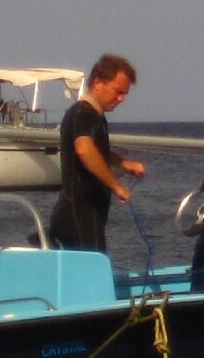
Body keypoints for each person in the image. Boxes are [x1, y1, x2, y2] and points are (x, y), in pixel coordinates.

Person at [47, 54, 146, 252]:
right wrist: (117, 186)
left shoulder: (90, 114)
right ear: (98, 83)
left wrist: (123, 163)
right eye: (118, 92)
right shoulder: (86, 114)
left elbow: (95, 149)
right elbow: (84, 150)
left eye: (125, 94)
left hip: (76, 213)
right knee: (89, 275)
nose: (122, 99)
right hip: (80, 215)